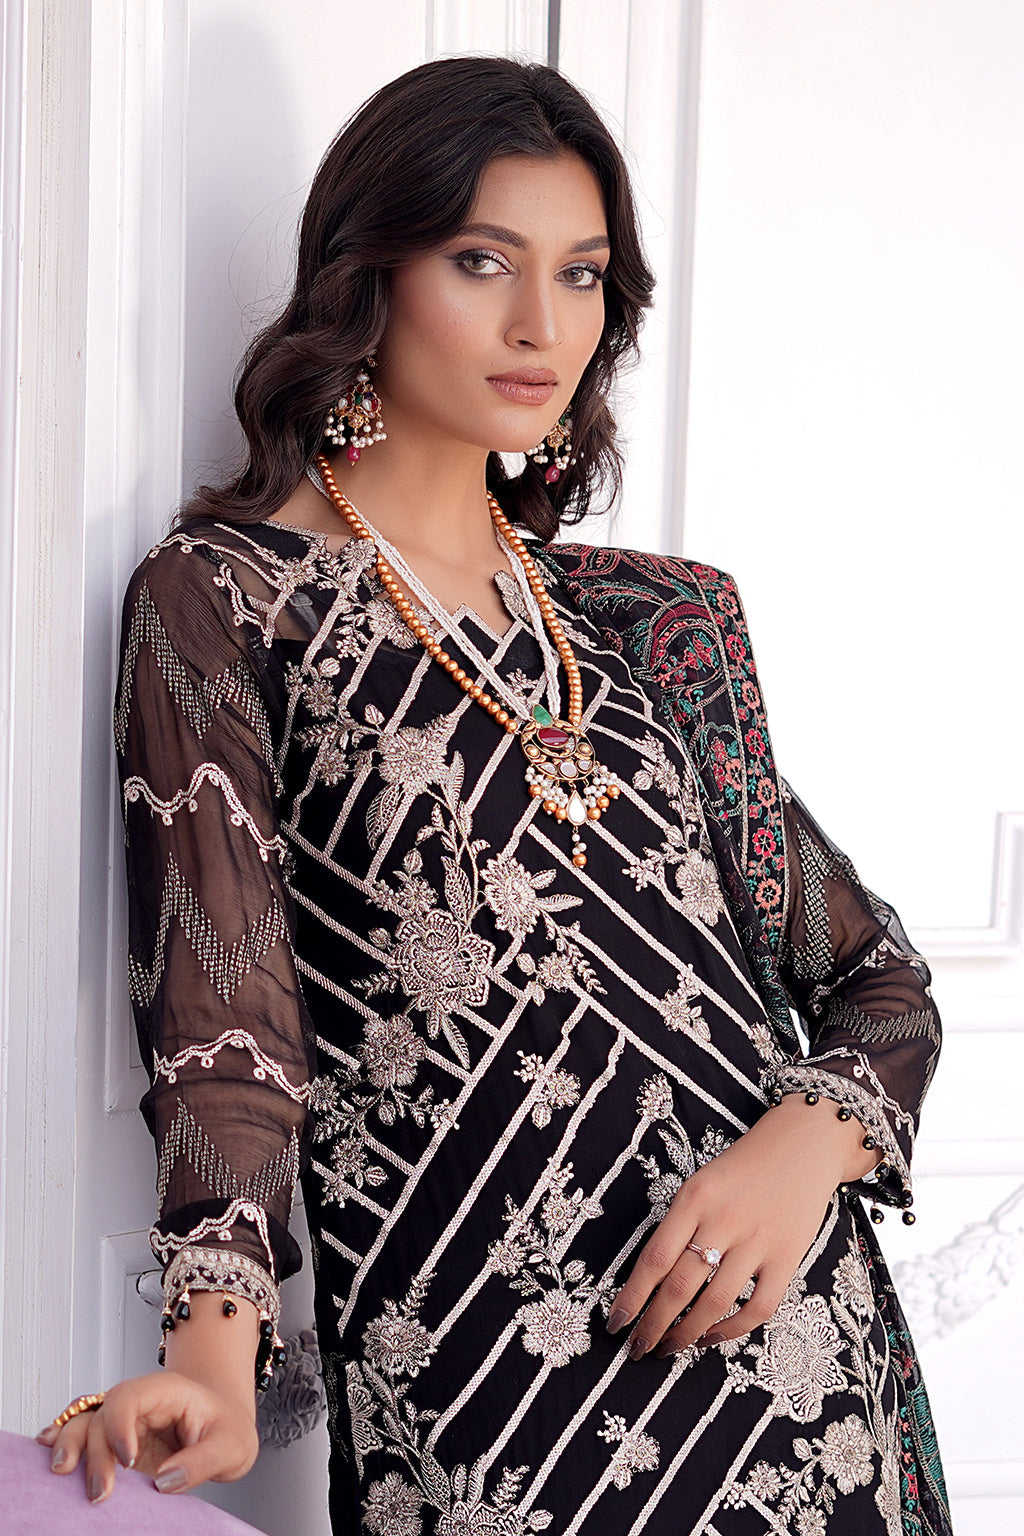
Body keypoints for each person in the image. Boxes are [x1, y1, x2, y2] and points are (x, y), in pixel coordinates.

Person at [37, 56, 953, 1536]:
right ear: (369, 274)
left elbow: (880, 981)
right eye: (483, 262)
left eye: (581, 275)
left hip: (803, 1392)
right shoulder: (231, 602)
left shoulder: (646, 628)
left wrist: (805, 1148)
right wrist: (209, 1356)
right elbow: (225, 1029)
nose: (543, 325)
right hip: (495, 1422)